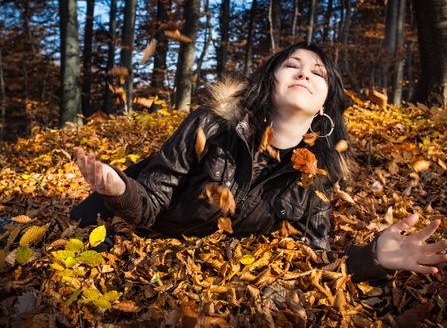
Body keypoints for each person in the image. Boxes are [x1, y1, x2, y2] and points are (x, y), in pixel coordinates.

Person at [71, 42, 447, 283]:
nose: (304, 73)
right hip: (117, 212)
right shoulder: (212, 124)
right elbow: (151, 204)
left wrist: (373, 257)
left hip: (184, 258)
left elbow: (310, 257)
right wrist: (117, 188)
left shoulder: (316, 176)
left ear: (324, 105)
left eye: (318, 73)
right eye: (292, 66)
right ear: (270, 81)